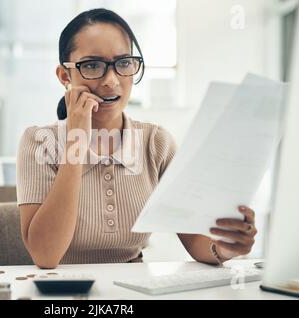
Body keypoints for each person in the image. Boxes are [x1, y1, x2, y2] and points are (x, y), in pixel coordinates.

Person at [16, 8, 257, 269]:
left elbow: (196, 240)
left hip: (133, 288)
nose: (111, 80)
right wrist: (75, 142)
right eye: (93, 66)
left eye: (123, 64)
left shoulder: (156, 143)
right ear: (65, 76)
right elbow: (45, 255)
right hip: (62, 292)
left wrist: (224, 246)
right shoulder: (40, 142)